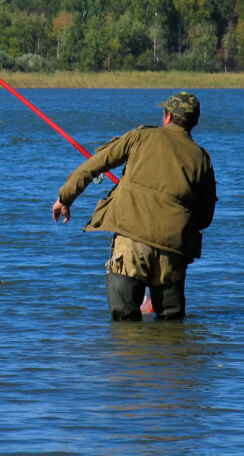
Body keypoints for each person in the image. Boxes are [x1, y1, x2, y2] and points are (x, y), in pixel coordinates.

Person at [52, 92, 217, 321]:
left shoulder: (140, 137)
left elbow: (92, 167)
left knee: (124, 323)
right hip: (173, 250)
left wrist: (65, 198)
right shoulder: (202, 159)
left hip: (131, 243)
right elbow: (206, 217)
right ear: (194, 121)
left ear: (167, 116)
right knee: (171, 324)